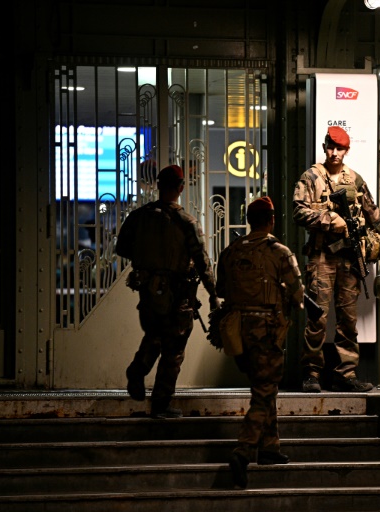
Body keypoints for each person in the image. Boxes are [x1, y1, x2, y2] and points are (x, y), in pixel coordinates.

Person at [293, 126, 380, 393]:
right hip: (321, 258)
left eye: (339, 148)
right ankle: (311, 374)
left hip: (348, 259)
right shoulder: (310, 178)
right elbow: (298, 212)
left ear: (346, 150)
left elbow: (371, 210)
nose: (334, 153)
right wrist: (330, 220)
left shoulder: (354, 179)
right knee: (317, 318)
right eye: (330, 147)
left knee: (348, 320)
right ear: (324, 146)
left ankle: (346, 373)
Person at [213, 196, 304, 490]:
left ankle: (270, 447)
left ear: (250, 220)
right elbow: (298, 293)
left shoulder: (230, 252)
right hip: (267, 330)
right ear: (271, 219)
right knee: (264, 393)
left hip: (239, 332)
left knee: (264, 386)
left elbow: (221, 289)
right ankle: (244, 451)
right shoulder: (279, 252)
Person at [115, 164, 218, 419]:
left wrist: (150, 263)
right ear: (181, 188)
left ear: (158, 185)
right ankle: (160, 403)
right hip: (179, 294)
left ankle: (138, 370)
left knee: (154, 335)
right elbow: (203, 263)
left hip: (148, 292)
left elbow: (122, 249)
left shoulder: (138, 217)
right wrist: (214, 295)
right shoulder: (186, 222)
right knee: (174, 349)